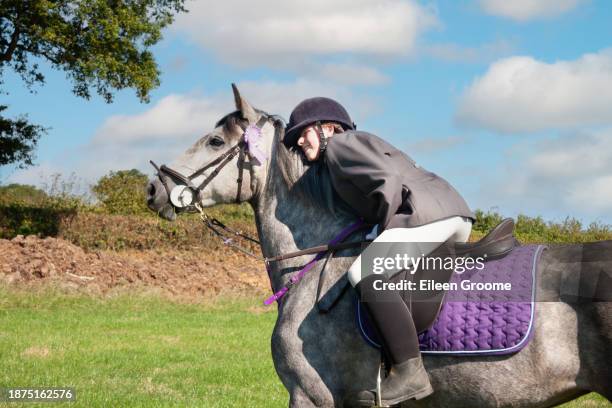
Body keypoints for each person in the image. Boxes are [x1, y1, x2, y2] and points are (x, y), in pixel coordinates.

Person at [283, 97, 475, 407]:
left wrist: (383, 231)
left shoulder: (341, 145)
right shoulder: (351, 147)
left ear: (328, 128)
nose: (300, 143)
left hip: (426, 215)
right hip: (447, 214)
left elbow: (387, 184)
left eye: (304, 132)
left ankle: (410, 371)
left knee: (365, 272)